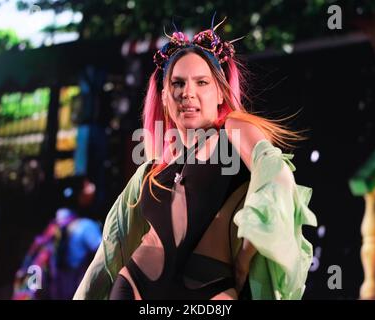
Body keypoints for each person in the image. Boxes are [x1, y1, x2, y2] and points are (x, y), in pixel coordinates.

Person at [74, 15, 317, 300]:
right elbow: (108, 252)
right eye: (177, 84)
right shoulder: (151, 170)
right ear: (165, 96)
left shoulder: (234, 130)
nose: (188, 93)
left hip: (210, 292)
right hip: (135, 287)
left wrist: (248, 251)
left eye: (201, 82)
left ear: (219, 93)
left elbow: (276, 174)